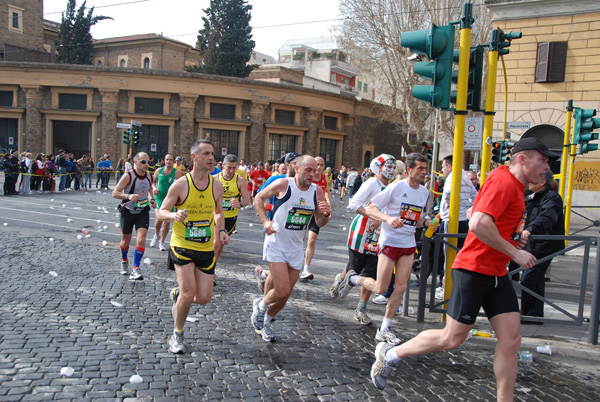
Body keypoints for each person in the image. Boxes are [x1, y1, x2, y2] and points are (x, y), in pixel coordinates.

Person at [369, 138, 558, 399]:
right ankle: (389, 354)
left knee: (512, 340)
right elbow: (478, 223)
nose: (547, 167)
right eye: (543, 160)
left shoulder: (516, 186)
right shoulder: (504, 181)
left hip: (496, 272)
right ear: (523, 159)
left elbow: (483, 220)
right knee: (452, 338)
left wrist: (514, 238)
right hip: (473, 270)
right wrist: (514, 251)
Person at [338, 153, 432, 344]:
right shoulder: (396, 187)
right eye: (420, 168)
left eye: (425, 168)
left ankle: (385, 327)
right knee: (381, 287)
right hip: (389, 242)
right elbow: (371, 208)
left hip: (408, 244)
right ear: (409, 170)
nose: (424, 172)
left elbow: (417, 220)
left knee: (401, 286)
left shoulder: (424, 192)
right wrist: (388, 219)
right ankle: (353, 278)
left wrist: (428, 223)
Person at [156, 139, 229, 354]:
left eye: (213, 154)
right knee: (189, 294)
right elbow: (160, 212)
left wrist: (222, 230)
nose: (211, 158)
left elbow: (218, 212)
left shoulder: (216, 185)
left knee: (204, 298)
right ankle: (177, 334)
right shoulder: (180, 184)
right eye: (206, 154)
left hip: (205, 247)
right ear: (194, 157)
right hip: (182, 246)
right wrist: (173, 215)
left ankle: (178, 296)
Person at [251, 155, 332, 342]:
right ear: (297, 168)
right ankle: (260, 304)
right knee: (283, 290)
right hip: (276, 244)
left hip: (296, 249)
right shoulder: (283, 184)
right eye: (308, 170)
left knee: (283, 297)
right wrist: (265, 221)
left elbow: (319, 222)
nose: (313, 173)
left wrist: (326, 214)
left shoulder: (317, 191)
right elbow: (258, 198)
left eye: (315, 170)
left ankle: (265, 322)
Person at [330, 154, 396, 326]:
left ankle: (361, 309)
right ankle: (339, 280)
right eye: (387, 166)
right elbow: (353, 203)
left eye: (393, 167)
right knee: (355, 266)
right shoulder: (371, 183)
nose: (391, 170)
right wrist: (372, 214)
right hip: (362, 231)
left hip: (381, 234)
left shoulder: (393, 186)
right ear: (379, 168)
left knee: (371, 272)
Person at [520, 169, 564, 319]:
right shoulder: (531, 196)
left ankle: (527, 312)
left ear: (542, 182)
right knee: (536, 280)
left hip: (545, 246)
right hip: (533, 245)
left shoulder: (552, 198)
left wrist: (530, 230)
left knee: (528, 279)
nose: (529, 182)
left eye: (532, 179)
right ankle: (535, 314)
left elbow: (547, 217)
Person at [436, 155, 478, 297]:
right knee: (459, 253)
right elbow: (475, 194)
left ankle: (445, 286)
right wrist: (467, 207)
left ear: (449, 166)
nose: (442, 170)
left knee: (448, 255)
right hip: (463, 220)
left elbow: (447, 193)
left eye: (442, 166)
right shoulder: (465, 176)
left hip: (451, 219)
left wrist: (450, 207)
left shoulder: (453, 176)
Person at [112, 152, 157, 281]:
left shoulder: (149, 175)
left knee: (141, 239)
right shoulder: (128, 176)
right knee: (125, 241)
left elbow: (148, 192)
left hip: (142, 211)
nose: (147, 164)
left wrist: (151, 200)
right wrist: (128, 196)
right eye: (143, 162)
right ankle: (124, 261)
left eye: (148, 162)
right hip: (128, 211)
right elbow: (115, 193)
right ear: (135, 162)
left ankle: (136, 268)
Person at [300, 156, 332, 280]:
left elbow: (326, 191)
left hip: (317, 211)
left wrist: (329, 206)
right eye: (317, 164)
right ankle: (294, 263)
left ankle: (306, 268)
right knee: (300, 238)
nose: (319, 167)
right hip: (303, 208)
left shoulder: (324, 177)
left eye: (321, 165)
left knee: (311, 240)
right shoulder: (308, 176)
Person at [214, 154, 249, 262]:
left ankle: (212, 267)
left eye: (234, 168)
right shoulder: (215, 179)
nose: (231, 171)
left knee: (221, 244)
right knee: (216, 243)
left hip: (231, 217)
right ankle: (208, 271)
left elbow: (246, 200)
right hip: (216, 216)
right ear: (223, 165)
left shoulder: (240, 180)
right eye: (229, 167)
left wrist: (240, 204)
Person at [150, 153, 183, 251]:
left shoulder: (176, 172)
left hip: (170, 198)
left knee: (166, 222)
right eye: (167, 159)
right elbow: (152, 182)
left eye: (170, 160)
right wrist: (154, 188)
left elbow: (181, 186)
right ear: (164, 160)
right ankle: (156, 234)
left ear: (173, 161)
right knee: (159, 218)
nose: (169, 161)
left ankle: (162, 241)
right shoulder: (159, 170)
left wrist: (175, 184)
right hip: (160, 197)